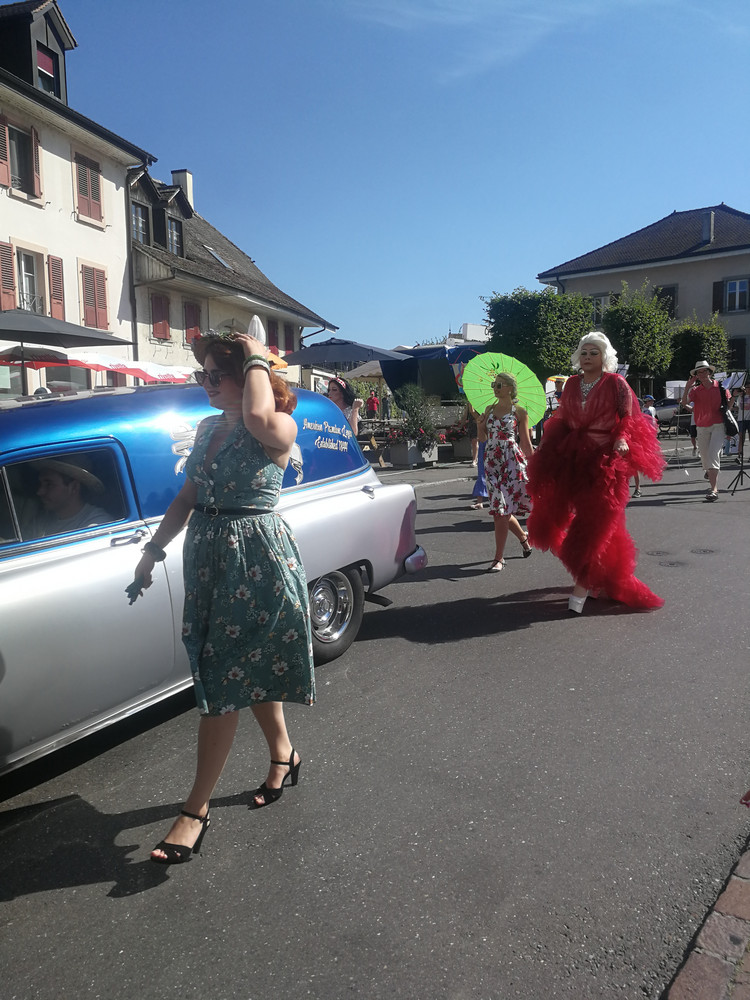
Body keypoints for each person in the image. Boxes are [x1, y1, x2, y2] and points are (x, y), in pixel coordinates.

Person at [131, 325, 315, 865]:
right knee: (244, 668)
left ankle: (195, 811)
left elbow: (257, 416)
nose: (208, 384)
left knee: (223, 679)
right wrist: (153, 551)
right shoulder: (208, 426)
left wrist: (257, 354)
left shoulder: (278, 425)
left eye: (220, 374)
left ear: (252, 375)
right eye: (203, 374)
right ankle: (284, 754)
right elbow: (187, 495)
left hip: (255, 562)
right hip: (209, 557)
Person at [526, 332, 665, 613]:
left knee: (596, 522)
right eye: (584, 352)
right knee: (590, 523)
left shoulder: (615, 382)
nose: (588, 357)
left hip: (606, 461)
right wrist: (547, 446)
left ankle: (582, 584)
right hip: (574, 459)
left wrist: (622, 438)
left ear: (604, 357)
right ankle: (599, 577)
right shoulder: (572, 384)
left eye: (594, 352)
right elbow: (564, 418)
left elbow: (627, 416)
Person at [476, 372, 534, 570]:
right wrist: (479, 426)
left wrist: (535, 466)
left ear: (510, 388)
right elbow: (483, 439)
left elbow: (525, 443)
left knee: (501, 511)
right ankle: (524, 538)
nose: (495, 388)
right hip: (492, 461)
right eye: (494, 384)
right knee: (499, 509)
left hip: (511, 462)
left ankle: (498, 558)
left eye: (499, 385)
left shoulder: (520, 412)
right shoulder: (489, 409)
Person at [680, 360, 730, 502]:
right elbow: (684, 403)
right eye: (699, 372)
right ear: (696, 375)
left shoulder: (720, 387)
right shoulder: (696, 390)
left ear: (710, 372)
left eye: (704, 371)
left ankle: (714, 490)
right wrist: (687, 387)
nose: (702, 374)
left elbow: (728, 406)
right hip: (702, 427)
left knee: (713, 455)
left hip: (718, 425)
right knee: (705, 458)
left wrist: (734, 397)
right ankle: (710, 471)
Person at [28, 457, 110, 537]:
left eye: (49, 484)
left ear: (74, 487)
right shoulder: (41, 521)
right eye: (41, 484)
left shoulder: (97, 524)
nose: (40, 492)